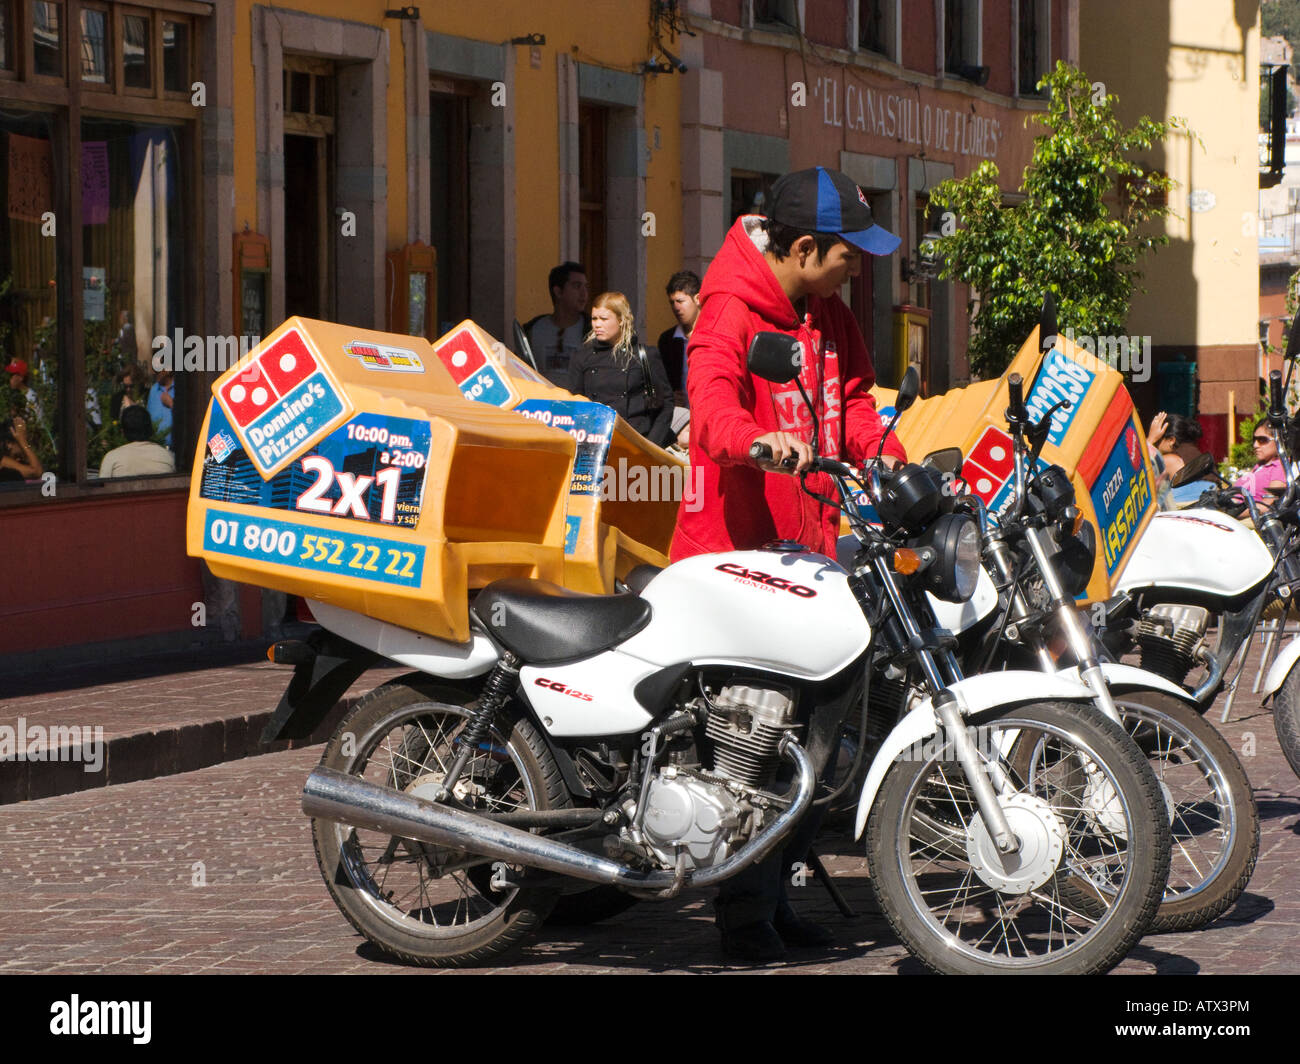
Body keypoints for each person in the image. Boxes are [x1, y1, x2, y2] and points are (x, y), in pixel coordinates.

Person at [671, 165, 906, 963]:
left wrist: (895, 464)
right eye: (849, 254)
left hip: (809, 560)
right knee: (757, 744)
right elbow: (710, 410)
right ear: (806, 248)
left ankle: (771, 901)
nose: (857, 267)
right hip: (735, 560)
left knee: (814, 741)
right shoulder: (727, 310)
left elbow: (860, 405)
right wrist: (755, 441)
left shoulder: (829, 313)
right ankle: (744, 920)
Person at [567, 291, 675, 447]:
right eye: (594, 318)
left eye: (604, 319)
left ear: (622, 320)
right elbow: (574, 403)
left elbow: (665, 404)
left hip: (638, 440)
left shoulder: (645, 355)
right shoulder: (582, 357)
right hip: (597, 442)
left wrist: (651, 445)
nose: (597, 324)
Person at [525, 262, 589, 385]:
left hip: (579, 403)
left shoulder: (592, 331)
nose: (584, 293)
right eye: (577, 286)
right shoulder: (533, 330)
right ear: (558, 292)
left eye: (585, 287)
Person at [656, 270, 701, 403]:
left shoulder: (714, 335)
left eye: (680, 301)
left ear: (697, 299)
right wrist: (670, 397)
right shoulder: (667, 340)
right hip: (680, 417)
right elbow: (662, 382)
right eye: (672, 302)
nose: (676, 307)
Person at [99, 404, 176, 478]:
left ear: (123, 432)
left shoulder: (112, 458)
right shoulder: (168, 456)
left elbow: (101, 488)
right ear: (150, 429)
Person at [1233, 420, 1286, 507]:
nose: (1255, 445)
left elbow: (1268, 505)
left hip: (1246, 518)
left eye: (1262, 440)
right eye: (1254, 440)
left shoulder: (1279, 467)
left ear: (1278, 440)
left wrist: (1229, 513)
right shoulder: (1260, 466)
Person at [0, 415, 41, 484]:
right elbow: (36, 472)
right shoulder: (2, 461)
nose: (27, 444)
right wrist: (23, 441)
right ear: (9, 443)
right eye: (23, 440)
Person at [147, 367, 175, 449]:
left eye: (156, 369)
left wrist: (171, 404)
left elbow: (191, 419)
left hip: (176, 450)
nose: (153, 372)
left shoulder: (182, 389)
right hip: (156, 448)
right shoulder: (153, 390)